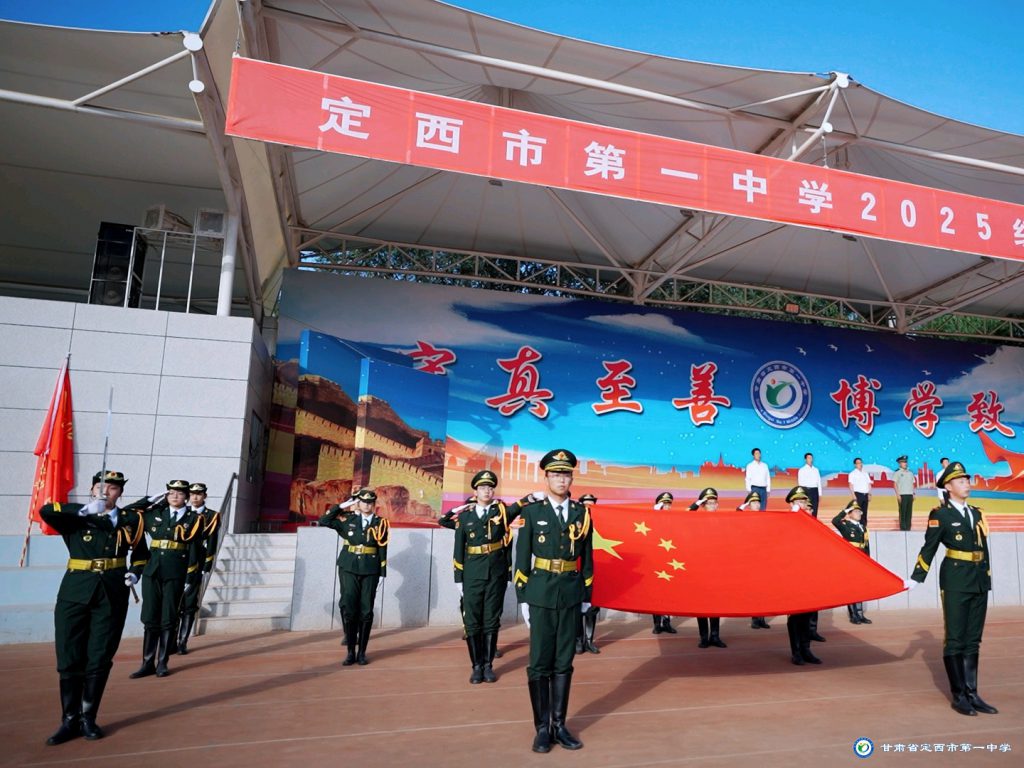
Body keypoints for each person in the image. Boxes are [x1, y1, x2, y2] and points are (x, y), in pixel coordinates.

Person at [38, 470, 148, 745]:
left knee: (99, 656)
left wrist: (135, 573)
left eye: (112, 488)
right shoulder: (76, 517)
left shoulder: (131, 520)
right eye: (100, 487)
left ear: (120, 493)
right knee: (69, 656)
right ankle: (69, 720)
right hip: (75, 591)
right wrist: (84, 510)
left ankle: (88, 718)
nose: (105, 492)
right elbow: (46, 511)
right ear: (91, 490)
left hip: (112, 592)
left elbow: (141, 554)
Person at [515, 449, 593, 753]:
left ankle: (559, 725)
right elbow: (522, 557)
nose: (561, 479)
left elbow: (587, 558)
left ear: (571, 478)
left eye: (566, 474)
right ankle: (541, 728)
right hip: (541, 592)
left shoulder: (582, 514)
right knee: (539, 662)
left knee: (564, 661)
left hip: (571, 592)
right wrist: (523, 598)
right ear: (546, 477)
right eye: (556, 474)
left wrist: (586, 595)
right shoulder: (532, 512)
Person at [909, 461, 997, 717]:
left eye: (967, 480)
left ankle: (973, 693)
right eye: (960, 481)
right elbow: (929, 547)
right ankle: (959, 695)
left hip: (978, 580)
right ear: (948, 487)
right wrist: (917, 577)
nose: (966, 484)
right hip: (956, 580)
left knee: (973, 639)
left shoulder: (977, 513)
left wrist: (987, 578)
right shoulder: (941, 515)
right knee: (955, 639)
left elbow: (983, 548)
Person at [452, 470, 530, 683]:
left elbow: (516, 509)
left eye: (490, 487)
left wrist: (530, 498)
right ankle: (476, 666)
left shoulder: (501, 513)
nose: (487, 491)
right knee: (472, 621)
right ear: (475, 491)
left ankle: (488, 665)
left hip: (496, 574)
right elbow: (458, 549)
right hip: (472, 574)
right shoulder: (465, 517)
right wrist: (458, 578)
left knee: (491, 620)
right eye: (482, 487)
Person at [129, 480, 204, 679]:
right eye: (170, 492)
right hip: (152, 571)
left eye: (179, 493)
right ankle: (147, 663)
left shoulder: (194, 519)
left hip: (175, 572)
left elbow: (195, 548)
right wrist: (148, 500)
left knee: (168, 617)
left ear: (186, 496)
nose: (174, 496)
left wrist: (191, 574)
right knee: (150, 617)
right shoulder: (155, 514)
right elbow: (128, 513)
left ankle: (162, 662)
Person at [320, 488, 390, 666]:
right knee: (350, 609)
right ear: (358, 503)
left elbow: (383, 548)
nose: (367, 505)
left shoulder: (381, 523)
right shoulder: (348, 520)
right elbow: (324, 521)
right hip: (349, 567)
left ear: (374, 504)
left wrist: (382, 572)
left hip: (370, 569)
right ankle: (350, 652)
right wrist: (342, 505)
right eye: (363, 502)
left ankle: (362, 653)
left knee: (366, 611)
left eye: (370, 502)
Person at [176, 482, 219, 655]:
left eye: (199, 494)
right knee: (173, 602)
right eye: (192, 494)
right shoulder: (182, 512)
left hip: (196, 563)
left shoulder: (211, 516)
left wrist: (207, 565)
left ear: (204, 496)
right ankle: (171, 640)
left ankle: (182, 641)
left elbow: (212, 542)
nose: (195, 497)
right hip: (177, 561)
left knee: (189, 603)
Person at [784, 486, 822, 666]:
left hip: (809, 575)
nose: (802, 504)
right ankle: (796, 652)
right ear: (791, 504)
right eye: (799, 501)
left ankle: (807, 650)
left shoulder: (811, 523)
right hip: (793, 576)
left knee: (808, 614)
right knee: (795, 616)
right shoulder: (786, 522)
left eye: (804, 501)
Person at [689, 487, 726, 648]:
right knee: (701, 604)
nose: (712, 505)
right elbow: (686, 516)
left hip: (716, 569)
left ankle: (715, 636)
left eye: (714, 503)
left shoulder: (723, 522)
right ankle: (704, 637)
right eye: (708, 503)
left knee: (715, 604)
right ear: (703, 505)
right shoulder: (697, 522)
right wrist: (698, 503)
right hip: (701, 569)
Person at [831, 499, 872, 624]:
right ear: (849, 513)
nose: (859, 513)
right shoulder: (845, 525)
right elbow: (835, 521)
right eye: (856, 511)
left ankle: (860, 614)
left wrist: (868, 562)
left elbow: (866, 546)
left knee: (860, 589)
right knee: (852, 589)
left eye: (860, 511)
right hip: (851, 561)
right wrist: (846, 510)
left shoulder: (863, 528)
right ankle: (853, 615)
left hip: (862, 561)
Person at [739, 490, 771, 630]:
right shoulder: (745, 518)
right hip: (751, 559)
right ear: (749, 504)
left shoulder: (765, 518)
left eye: (758, 502)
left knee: (764, 590)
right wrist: (744, 505)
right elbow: (737, 513)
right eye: (753, 502)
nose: (757, 504)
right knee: (754, 591)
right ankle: (754, 618)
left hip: (763, 559)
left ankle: (761, 618)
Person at [575, 493, 601, 655]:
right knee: (577, 607)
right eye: (586, 504)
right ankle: (578, 641)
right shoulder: (575, 521)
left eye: (592, 504)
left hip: (597, 570)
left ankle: (589, 641)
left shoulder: (601, 522)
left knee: (592, 608)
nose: (589, 507)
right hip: (577, 570)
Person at [650, 492, 677, 635]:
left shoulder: (673, 520)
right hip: (656, 561)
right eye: (664, 504)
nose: (667, 506)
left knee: (668, 593)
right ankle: (657, 624)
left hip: (670, 561)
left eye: (668, 504)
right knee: (656, 594)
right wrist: (655, 512)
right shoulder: (653, 519)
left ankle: (667, 622)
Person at [892, 455, 917, 532]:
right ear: (899, 463)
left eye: (906, 462)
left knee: (909, 512)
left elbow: (912, 484)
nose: (905, 463)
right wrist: (898, 495)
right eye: (903, 462)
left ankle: (908, 528)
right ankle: (903, 529)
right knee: (902, 512)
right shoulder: (897, 473)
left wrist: (913, 493)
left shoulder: (910, 473)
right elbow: (895, 484)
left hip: (910, 495)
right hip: (902, 495)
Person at [848, 457, 873, 527]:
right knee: (857, 512)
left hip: (865, 495)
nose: (860, 464)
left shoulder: (865, 473)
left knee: (864, 512)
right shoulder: (852, 474)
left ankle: (864, 527)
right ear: (855, 465)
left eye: (861, 463)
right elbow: (850, 485)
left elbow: (869, 484)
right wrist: (853, 495)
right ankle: (857, 527)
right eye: (858, 463)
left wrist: (869, 494)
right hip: (858, 495)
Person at [797, 452, 822, 518]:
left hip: (815, 491)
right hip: (807, 491)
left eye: (811, 458)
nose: (810, 459)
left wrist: (820, 494)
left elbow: (819, 482)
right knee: (807, 509)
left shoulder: (816, 470)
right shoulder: (802, 470)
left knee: (815, 509)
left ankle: (814, 522)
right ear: (805, 459)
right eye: (808, 458)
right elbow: (800, 483)